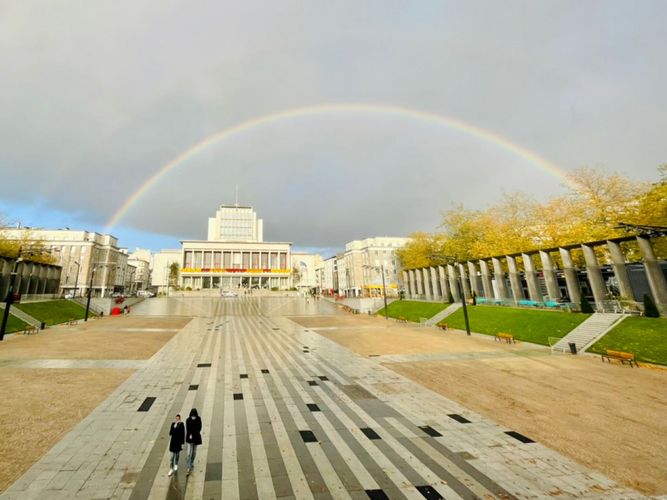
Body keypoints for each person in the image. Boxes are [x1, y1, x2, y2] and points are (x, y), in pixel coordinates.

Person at [185, 408, 202, 474]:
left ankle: (191, 462)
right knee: (189, 453)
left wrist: (194, 433)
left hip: (196, 438)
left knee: (194, 452)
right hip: (190, 438)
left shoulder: (198, 419)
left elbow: (199, 427)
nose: (193, 417)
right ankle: (189, 466)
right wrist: (191, 434)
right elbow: (188, 429)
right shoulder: (188, 420)